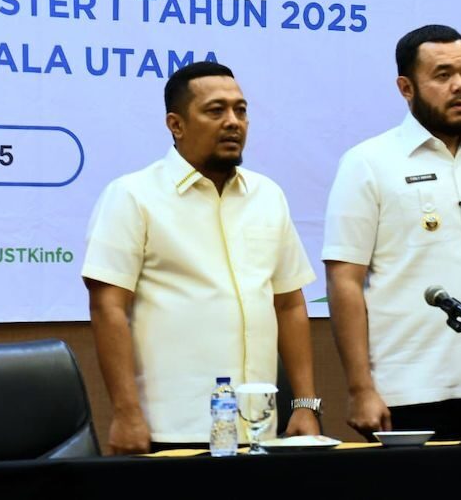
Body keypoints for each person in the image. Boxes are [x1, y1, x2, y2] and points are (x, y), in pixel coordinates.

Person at [82, 62, 321, 453]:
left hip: (259, 429)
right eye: (216, 111)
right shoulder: (132, 195)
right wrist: (125, 413)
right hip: (173, 429)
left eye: (240, 110)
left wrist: (306, 404)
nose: (233, 122)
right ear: (176, 124)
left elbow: (289, 303)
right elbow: (108, 309)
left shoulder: (268, 195)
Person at [323, 24, 461, 440]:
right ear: (406, 87)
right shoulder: (368, 162)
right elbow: (344, 280)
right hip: (408, 390)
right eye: (443, 76)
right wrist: (360, 388)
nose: (460, 86)